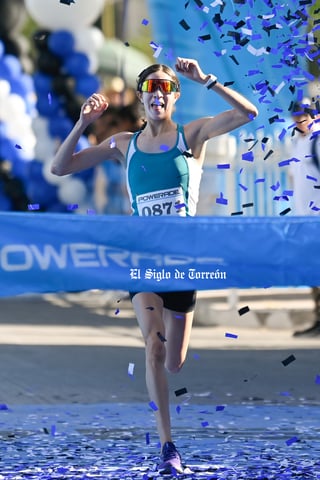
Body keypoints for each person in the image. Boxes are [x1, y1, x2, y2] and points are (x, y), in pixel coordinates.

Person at [51, 57, 258, 474]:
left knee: (174, 361)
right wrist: (80, 123)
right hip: (144, 259)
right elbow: (60, 167)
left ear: (175, 97)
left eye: (166, 87)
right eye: (151, 88)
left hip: (183, 262)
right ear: (143, 97)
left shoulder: (191, 134)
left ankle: (166, 387)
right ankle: (168, 446)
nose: (158, 94)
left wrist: (207, 80)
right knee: (153, 345)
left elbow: (247, 113)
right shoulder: (123, 144)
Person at [289, 98, 320, 337]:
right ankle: (318, 317)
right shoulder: (296, 142)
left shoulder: (317, 140)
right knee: (312, 270)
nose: (300, 119)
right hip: (304, 218)